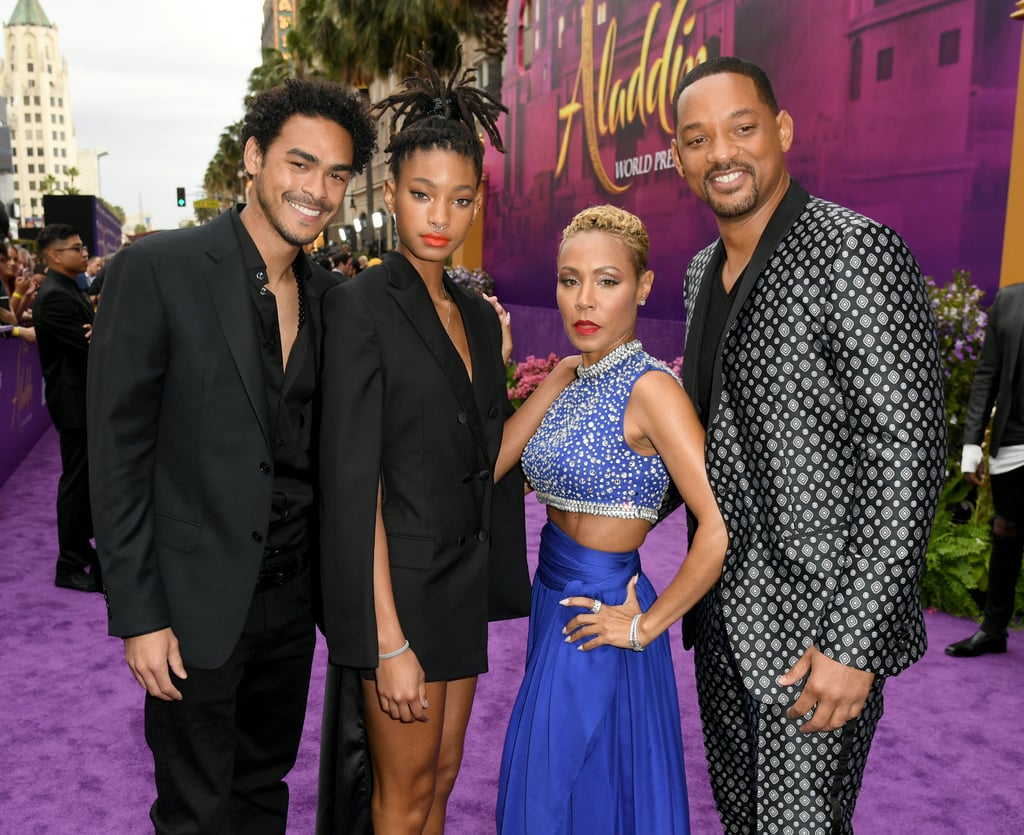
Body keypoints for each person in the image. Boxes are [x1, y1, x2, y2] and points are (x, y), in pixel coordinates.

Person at [86, 78, 376, 834]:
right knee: (195, 810)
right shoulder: (157, 270)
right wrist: (139, 613)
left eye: (337, 174)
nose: (318, 190)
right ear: (254, 157)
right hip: (192, 602)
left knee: (261, 790)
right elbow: (115, 454)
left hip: (290, 599)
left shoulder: (329, 295)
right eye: (300, 164)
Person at [670, 56, 947, 832]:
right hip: (721, 621)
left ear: (782, 131)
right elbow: (706, 441)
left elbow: (907, 457)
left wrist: (853, 644)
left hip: (819, 633)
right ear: (682, 158)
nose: (721, 152)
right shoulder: (699, 275)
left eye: (742, 128)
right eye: (698, 139)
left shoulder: (852, 252)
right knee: (744, 822)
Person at [316, 51, 577, 835]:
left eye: (459, 199)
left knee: (439, 781)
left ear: (476, 202)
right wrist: (385, 637)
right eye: (423, 194)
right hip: (399, 588)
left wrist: (556, 382)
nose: (440, 215)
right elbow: (352, 482)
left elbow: (485, 460)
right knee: (398, 801)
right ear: (391, 193)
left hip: (460, 580)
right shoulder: (359, 305)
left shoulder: (470, 311)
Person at [495, 206, 728, 834]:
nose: (585, 300)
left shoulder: (654, 390)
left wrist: (647, 626)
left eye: (607, 280)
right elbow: (488, 466)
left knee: (548, 796)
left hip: (604, 611)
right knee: (569, 792)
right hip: (553, 603)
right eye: (570, 281)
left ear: (643, 287)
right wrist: (542, 379)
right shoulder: (569, 379)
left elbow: (719, 526)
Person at [946, 282, 1024, 657]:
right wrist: (971, 445)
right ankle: (994, 629)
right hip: (1012, 440)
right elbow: (986, 375)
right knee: (1006, 529)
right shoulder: (1009, 300)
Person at [32, 224, 98, 592]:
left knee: (83, 481)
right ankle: (69, 564)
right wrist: (103, 332)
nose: (83, 251)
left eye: (82, 245)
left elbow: (94, 335)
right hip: (74, 405)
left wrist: (100, 329)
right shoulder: (55, 296)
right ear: (54, 256)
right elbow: (90, 344)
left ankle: (79, 549)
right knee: (76, 484)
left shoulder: (66, 288)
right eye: (75, 248)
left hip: (82, 401)